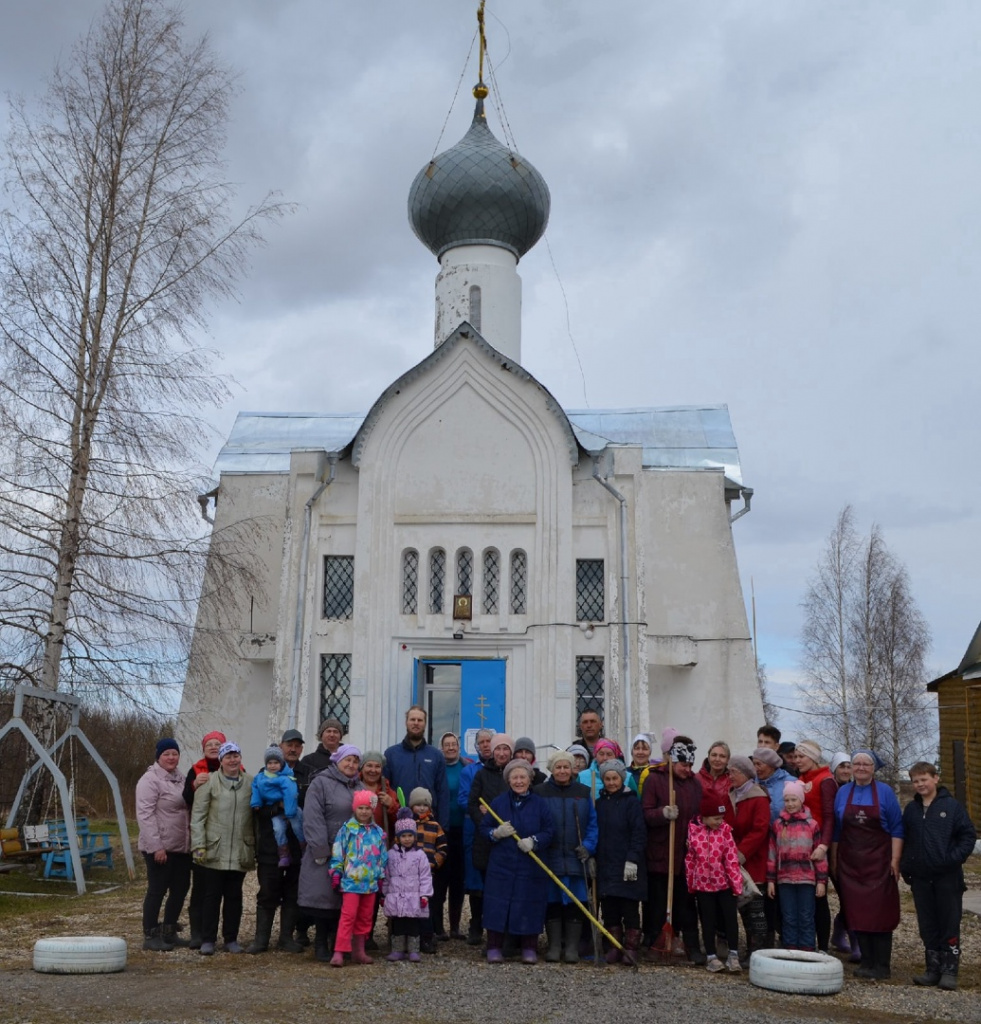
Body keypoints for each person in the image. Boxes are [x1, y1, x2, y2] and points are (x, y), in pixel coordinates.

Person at [901, 761, 976, 990]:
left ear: (935, 778)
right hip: (921, 878)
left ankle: (949, 971)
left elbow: (968, 837)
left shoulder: (952, 807)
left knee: (949, 923)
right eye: (915, 781)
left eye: (924, 779)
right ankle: (932, 969)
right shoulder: (912, 810)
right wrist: (907, 866)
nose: (920, 784)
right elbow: (906, 840)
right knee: (928, 925)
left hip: (947, 877)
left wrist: (951, 859)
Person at [831, 749, 904, 980]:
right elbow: (836, 830)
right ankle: (867, 962)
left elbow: (897, 828)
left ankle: (882, 965)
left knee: (881, 913)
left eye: (866, 764)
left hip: (880, 862)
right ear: (851, 768)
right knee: (857, 912)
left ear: (874, 768)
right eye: (856, 764)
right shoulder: (843, 792)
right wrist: (834, 860)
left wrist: (895, 860)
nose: (861, 767)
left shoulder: (885, 792)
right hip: (851, 863)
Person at [480, 758, 555, 964]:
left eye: (522, 777)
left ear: (530, 779)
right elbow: (484, 828)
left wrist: (534, 841)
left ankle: (529, 948)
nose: (519, 781)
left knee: (529, 904)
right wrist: (496, 832)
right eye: (514, 777)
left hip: (529, 865)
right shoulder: (498, 803)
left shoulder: (540, 804)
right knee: (497, 904)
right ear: (508, 780)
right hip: (502, 864)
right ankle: (494, 946)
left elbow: (549, 831)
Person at [297, 743, 365, 962]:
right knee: (323, 900)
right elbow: (313, 815)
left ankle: (338, 943)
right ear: (338, 760)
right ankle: (320, 943)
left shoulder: (359, 786)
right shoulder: (321, 783)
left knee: (343, 901)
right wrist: (320, 847)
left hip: (351, 854)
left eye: (355, 761)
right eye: (348, 760)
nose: (352, 765)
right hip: (327, 849)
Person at [642, 728, 704, 962]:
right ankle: (656, 944)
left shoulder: (694, 784)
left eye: (689, 765)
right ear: (672, 760)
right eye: (682, 765)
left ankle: (690, 945)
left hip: (685, 855)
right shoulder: (656, 780)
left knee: (686, 904)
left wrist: (695, 832)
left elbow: (698, 815)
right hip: (661, 853)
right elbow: (646, 814)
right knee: (658, 903)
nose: (687, 770)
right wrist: (662, 813)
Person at [190, 741, 255, 955]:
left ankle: (231, 939)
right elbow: (198, 817)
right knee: (211, 896)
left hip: (239, 849)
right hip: (213, 849)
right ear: (221, 760)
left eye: (236, 755)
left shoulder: (250, 783)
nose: (233, 760)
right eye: (228, 756)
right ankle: (208, 939)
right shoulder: (210, 783)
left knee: (234, 896)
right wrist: (198, 846)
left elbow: (256, 816)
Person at [535, 749, 597, 964]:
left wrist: (588, 847)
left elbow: (592, 825)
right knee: (551, 902)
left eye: (566, 767)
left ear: (572, 769)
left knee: (575, 903)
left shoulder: (583, 792)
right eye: (558, 767)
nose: (562, 770)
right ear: (551, 769)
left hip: (575, 858)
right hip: (549, 857)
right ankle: (553, 945)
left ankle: (571, 947)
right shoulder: (540, 792)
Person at [249, 730, 308, 955]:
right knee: (267, 891)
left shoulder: (305, 774)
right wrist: (278, 808)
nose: (293, 749)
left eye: (297, 745)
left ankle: (286, 937)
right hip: (269, 846)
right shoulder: (263, 775)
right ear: (281, 747)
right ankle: (261, 939)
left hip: (296, 847)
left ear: (301, 749)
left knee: (292, 892)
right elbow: (256, 809)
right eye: (289, 745)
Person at [136, 737, 191, 951]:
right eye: (166, 754)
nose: (171, 757)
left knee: (180, 889)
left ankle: (169, 931)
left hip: (182, 847)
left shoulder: (181, 778)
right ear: (159, 756)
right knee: (157, 890)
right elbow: (145, 815)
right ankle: (150, 934)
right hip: (160, 848)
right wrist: (156, 846)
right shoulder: (149, 780)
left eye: (174, 754)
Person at [594, 758, 646, 966]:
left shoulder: (631, 802)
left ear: (622, 779)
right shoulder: (599, 804)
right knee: (610, 910)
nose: (611, 782)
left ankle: (631, 949)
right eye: (607, 778)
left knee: (630, 909)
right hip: (607, 864)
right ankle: (614, 946)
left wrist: (633, 858)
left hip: (627, 864)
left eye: (615, 778)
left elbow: (639, 832)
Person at [328, 789, 387, 967]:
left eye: (367, 808)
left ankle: (359, 951)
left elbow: (382, 856)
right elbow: (338, 852)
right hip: (351, 882)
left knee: (365, 917)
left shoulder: (378, 832)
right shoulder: (347, 829)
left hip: (370, 884)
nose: (364, 811)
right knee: (348, 916)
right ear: (355, 809)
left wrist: (381, 876)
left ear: (372, 810)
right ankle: (339, 951)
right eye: (360, 808)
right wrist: (336, 871)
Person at [766, 781, 827, 952]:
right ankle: (790, 949)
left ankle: (807, 949)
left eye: (794, 800)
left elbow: (820, 855)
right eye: (787, 800)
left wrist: (821, 880)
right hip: (784, 878)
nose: (790, 804)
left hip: (807, 879)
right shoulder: (778, 825)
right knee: (789, 916)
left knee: (806, 916)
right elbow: (772, 853)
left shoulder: (811, 824)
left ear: (801, 801)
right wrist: (771, 879)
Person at [686, 791, 743, 973]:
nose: (719, 821)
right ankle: (711, 955)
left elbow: (731, 859)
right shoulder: (694, 832)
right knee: (708, 919)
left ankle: (733, 954)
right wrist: (691, 883)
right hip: (703, 885)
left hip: (724, 884)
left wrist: (736, 883)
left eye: (721, 817)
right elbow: (691, 859)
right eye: (715, 818)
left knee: (730, 918)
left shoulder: (725, 832)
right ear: (705, 816)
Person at [466, 733, 514, 946]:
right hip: (486, 840)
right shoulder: (482, 775)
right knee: (482, 886)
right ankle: (478, 926)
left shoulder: (516, 773)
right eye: (498, 749)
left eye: (506, 749)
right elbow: (472, 803)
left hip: (510, 839)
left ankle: (503, 932)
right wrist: (485, 825)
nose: (502, 753)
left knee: (504, 889)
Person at [182, 729, 227, 948]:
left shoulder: (234, 767)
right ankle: (197, 933)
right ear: (203, 748)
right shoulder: (195, 770)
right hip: (202, 836)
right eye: (209, 744)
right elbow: (186, 799)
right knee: (200, 886)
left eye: (217, 744)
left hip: (226, 838)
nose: (213, 747)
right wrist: (194, 785)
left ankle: (222, 934)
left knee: (222, 890)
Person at [726, 753, 769, 962]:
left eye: (733, 771)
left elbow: (760, 830)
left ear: (744, 773)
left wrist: (739, 853)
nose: (730, 775)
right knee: (744, 907)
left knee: (756, 910)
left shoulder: (758, 797)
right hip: (735, 860)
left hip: (752, 860)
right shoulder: (733, 795)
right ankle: (752, 950)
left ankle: (758, 952)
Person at [793, 739, 835, 952]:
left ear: (813, 758)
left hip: (817, 844)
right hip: (799, 843)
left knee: (819, 896)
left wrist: (824, 845)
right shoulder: (801, 779)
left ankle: (824, 946)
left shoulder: (825, 780)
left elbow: (829, 816)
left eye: (802, 756)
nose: (797, 760)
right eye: (796, 757)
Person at [457, 727, 496, 944]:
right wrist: (478, 808)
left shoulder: (503, 768)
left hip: (496, 830)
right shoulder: (469, 771)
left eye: (489, 741)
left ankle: (493, 924)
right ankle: (475, 924)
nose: (485, 745)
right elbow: (463, 799)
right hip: (474, 828)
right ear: (476, 746)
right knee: (475, 880)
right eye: (481, 742)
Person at [432, 732, 471, 940]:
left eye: (453, 744)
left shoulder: (466, 767)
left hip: (462, 829)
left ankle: (455, 926)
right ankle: (438, 927)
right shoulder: (437, 768)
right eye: (446, 745)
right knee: (440, 879)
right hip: (440, 829)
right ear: (441, 747)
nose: (450, 748)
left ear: (458, 746)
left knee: (458, 879)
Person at [384, 705, 450, 828]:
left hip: (429, 822)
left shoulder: (436, 755)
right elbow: (385, 789)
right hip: (399, 820)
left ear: (425, 724)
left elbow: (443, 793)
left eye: (420, 720)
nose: (416, 723)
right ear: (406, 722)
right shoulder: (391, 754)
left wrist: (443, 826)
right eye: (412, 719)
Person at [384, 808, 434, 963]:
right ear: (398, 838)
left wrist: (424, 894)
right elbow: (386, 876)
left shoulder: (420, 855)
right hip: (396, 896)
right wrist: (384, 894)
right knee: (398, 925)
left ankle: (413, 949)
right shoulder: (391, 855)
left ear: (415, 836)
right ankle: (398, 949)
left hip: (414, 897)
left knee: (413, 925)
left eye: (410, 835)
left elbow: (425, 876)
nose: (407, 839)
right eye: (403, 836)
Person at [250, 746, 304, 867]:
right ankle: (284, 854)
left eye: (276, 762)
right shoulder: (260, 777)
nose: (272, 765)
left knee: (297, 827)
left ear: (281, 763)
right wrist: (256, 803)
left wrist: (290, 811)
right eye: (269, 763)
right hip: (275, 811)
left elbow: (290, 793)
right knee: (278, 829)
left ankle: (304, 847)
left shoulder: (286, 778)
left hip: (291, 808)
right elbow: (255, 788)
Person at [408, 786, 447, 953]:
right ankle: (411, 938)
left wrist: (435, 863)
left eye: (425, 805)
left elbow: (443, 847)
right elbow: (398, 845)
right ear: (411, 807)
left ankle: (427, 938)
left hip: (427, 874)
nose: (421, 808)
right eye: (418, 805)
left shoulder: (435, 826)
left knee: (426, 906)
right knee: (410, 906)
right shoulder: (407, 825)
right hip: (408, 875)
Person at [697, 741, 735, 827]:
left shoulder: (733, 781)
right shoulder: (696, 779)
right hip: (699, 832)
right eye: (714, 755)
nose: (717, 759)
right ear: (708, 756)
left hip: (725, 832)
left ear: (728, 760)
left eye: (722, 756)